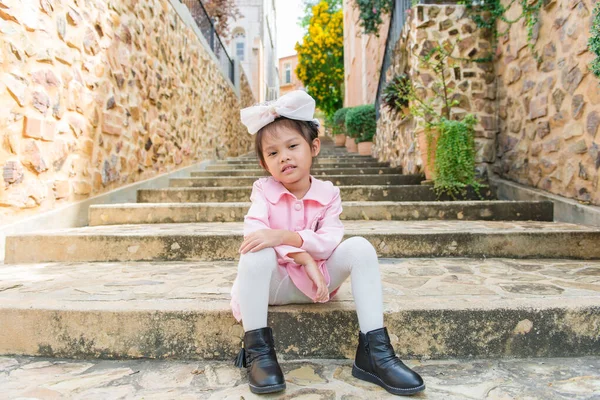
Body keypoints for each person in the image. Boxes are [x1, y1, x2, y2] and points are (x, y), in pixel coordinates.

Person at [230, 90, 425, 396]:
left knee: (360, 247)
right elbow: (255, 232)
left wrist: (286, 238)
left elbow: (329, 241)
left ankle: (375, 353)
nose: (284, 157)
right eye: (272, 153)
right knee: (255, 252)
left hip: (318, 284)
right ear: (264, 162)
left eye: (293, 146)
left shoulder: (328, 194)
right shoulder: (262, 190)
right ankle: (258, 352)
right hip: (274, 285)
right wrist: (302, 256)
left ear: (314, 146)